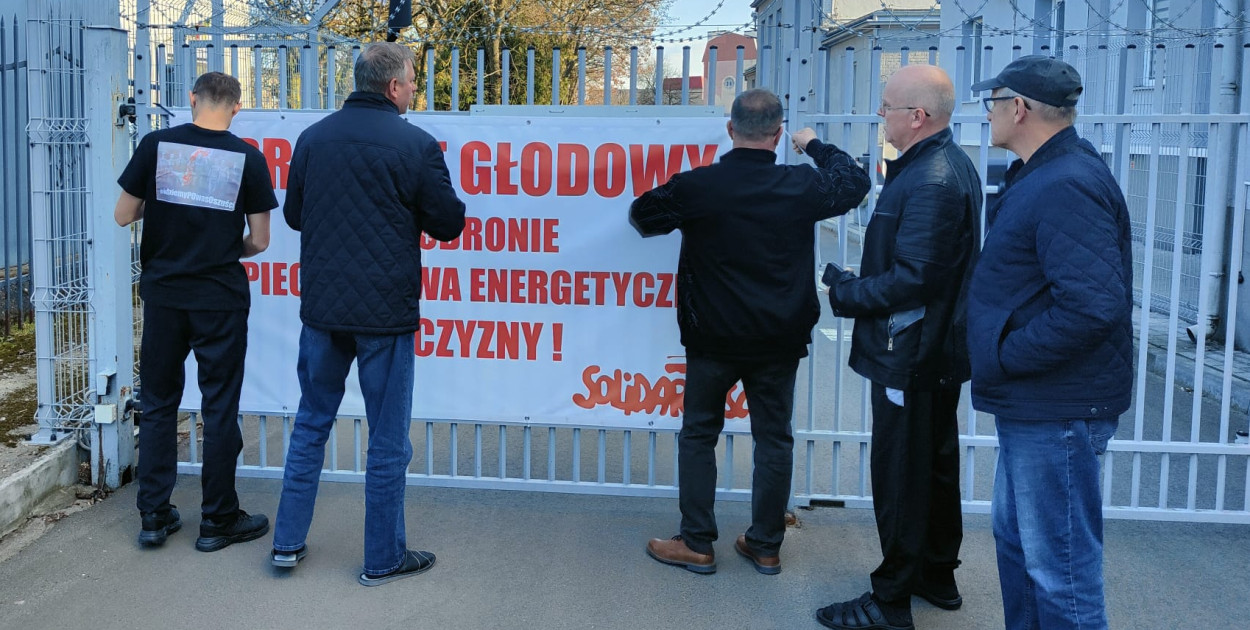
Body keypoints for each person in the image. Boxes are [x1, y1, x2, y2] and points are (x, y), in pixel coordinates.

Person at [631, 88, 870, 576]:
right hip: (778, 339)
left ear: (730, 129)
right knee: (774, 439)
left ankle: (696, 542)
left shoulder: (699, 187)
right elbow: (854, 182)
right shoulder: (800, 186)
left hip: (712, 337)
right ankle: (765, 544)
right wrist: (814, 145)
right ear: (779, 135)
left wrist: (687, 209)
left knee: (699, 434)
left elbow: (642, 215)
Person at [270, 41, 466, 586]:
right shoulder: (416, 145)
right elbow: (448, 223)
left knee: (311, 423)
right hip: (385, 312)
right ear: (394, 87)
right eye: (411, 81)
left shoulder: (312, 139)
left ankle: (286, 542)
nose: (413, 90)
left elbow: (294, 216)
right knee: (386, 439)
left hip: (325, 309)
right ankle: (382, 559)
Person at [815, 65, 982, 630]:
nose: (879, 115)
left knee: (901, 476)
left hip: (908, 354)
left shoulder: (932, 177)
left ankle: (890, 601)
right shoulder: (934, 166)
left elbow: (915, 278)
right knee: (931, 468)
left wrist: (846, 292)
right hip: (926, 351)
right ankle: (936, 574)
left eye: (887, 106)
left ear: (918, 116)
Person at [969, 56, 1132, 630]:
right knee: (1020, 550)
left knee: (1060, 573)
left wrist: (1006, 353)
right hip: (1038, 405)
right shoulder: (1044, 172)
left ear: (1019, 108)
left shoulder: (1066, 182)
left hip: (1056, 408)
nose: (987, 112)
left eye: (993, 102)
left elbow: (1093, 305)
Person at [115, 71, 276, 551]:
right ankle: (218, 520)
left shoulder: (155, 145)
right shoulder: (248, 157)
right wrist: (228, 248)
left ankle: (154, 515)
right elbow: (261, 240)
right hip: (219, 298)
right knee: (219, 406)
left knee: (160, 404)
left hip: (164, 296)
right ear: (237, 107)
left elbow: (124, 213)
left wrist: (163, 205)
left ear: (191, 100)